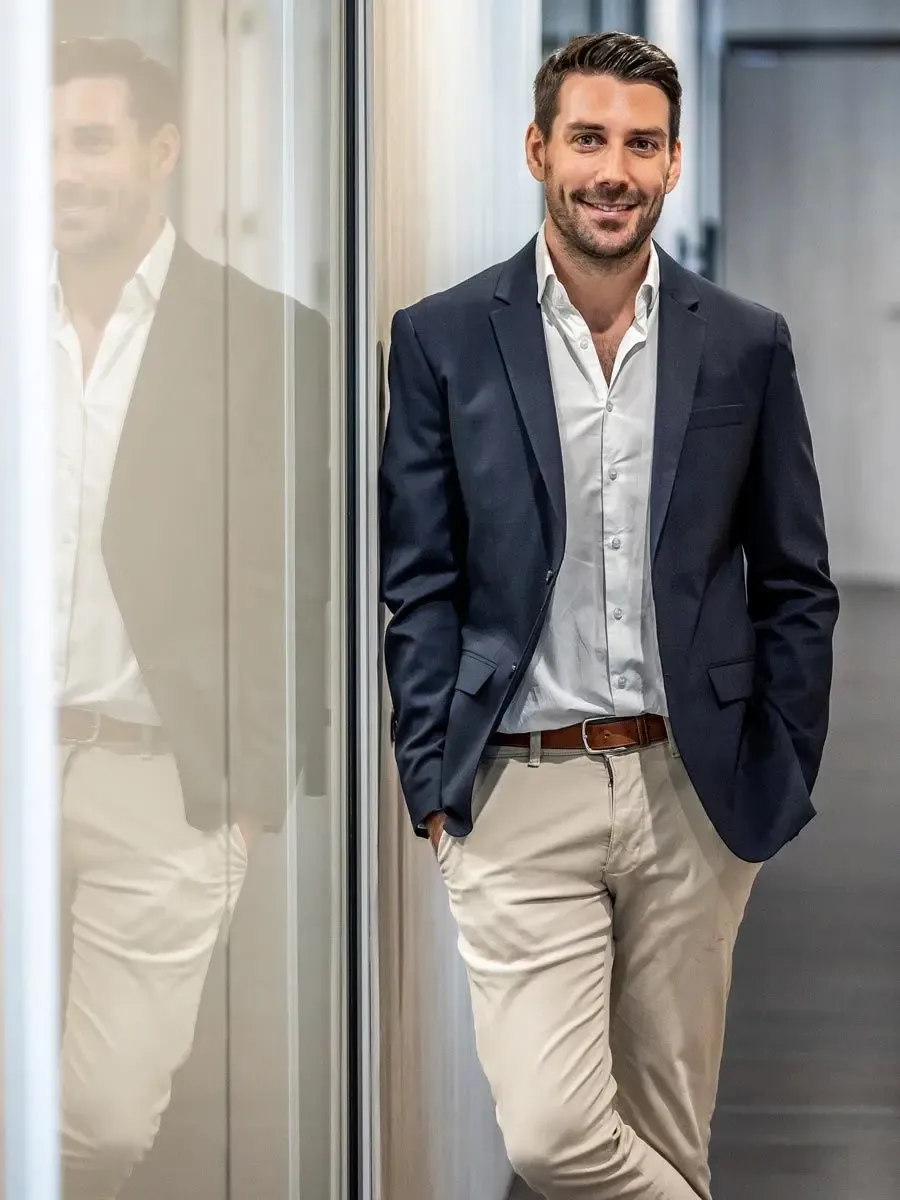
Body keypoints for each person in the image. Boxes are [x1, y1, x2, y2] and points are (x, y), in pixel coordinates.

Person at [379, 31, 838, 1200]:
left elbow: (795, 581)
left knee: (669, 1135)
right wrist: (433, 773)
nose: (612, 169)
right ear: (540, 150)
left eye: (641, 144)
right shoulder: (442, 338)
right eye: (588, 138)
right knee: (553, 1135)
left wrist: (777, 769)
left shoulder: (743, 343)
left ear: (675, 164)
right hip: (519, 786)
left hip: (693, 788)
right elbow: (419, 575)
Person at [52, 36, 328, 1197]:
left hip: (161, 778)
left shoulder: (263, 338)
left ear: (161, 152)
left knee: (104, 1122)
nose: (62, 169)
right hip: (22, 758)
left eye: (92, 140)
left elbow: (292, 579)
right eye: (45, 143)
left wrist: (250, 800)